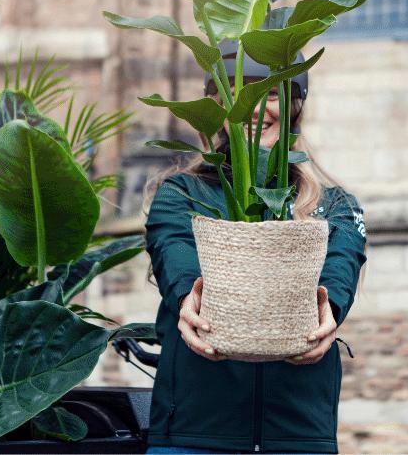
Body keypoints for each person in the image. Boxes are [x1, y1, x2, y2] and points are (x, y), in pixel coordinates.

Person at [144, 44, 366, 454]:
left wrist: (328, 311)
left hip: (298, 435)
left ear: (295, 104)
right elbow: (173, 253)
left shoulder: (335, 205)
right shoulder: (181, 193)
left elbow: (341, 267)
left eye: (271, 92)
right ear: (215, 107)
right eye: (239, 93)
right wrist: (187, 300)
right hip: (196, 433)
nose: (255, 107)